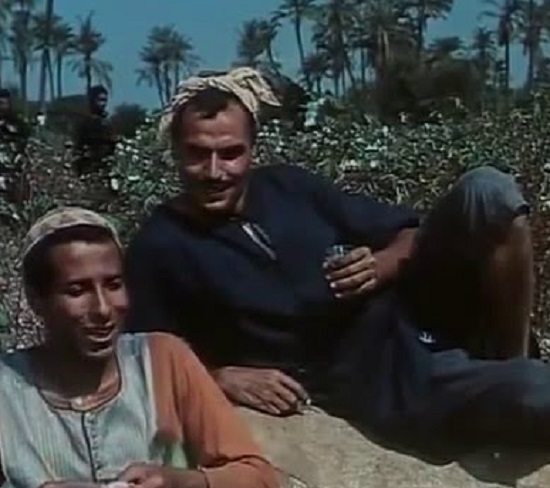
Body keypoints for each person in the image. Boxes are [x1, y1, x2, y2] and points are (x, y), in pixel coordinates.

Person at [124, 67, 548, 452]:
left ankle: (510, 358)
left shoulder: (289, 186)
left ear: (252, 149)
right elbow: (142, 362)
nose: (215, 172)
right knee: (537, 389)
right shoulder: (159, 246)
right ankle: (510, 385)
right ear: (176, 152)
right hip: (384, 376)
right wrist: (220, 376)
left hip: (419, 310)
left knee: (489, 191)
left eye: (231, 153)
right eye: (198, 154)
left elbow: (410, 233)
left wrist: (379, 264)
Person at [0, 206, 278, 488]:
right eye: (77, 291)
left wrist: (183, 482)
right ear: (37, 300)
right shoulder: (6, 391)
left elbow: (258, 477)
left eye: (113, 285)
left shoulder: (164, 360)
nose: (103, 308)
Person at [73, 85, 117, 175]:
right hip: (89, 167)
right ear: (92, 100)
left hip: (105, 167)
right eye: (100, 100)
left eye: (105, 100)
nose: (103, 104)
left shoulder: (108, 122)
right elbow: (79, 145)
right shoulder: (85, 121)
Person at [0, 88, 29, 152]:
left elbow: (25, 135)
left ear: (9, 104)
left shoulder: (16, 120)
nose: (1, 107)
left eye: (2, 103)